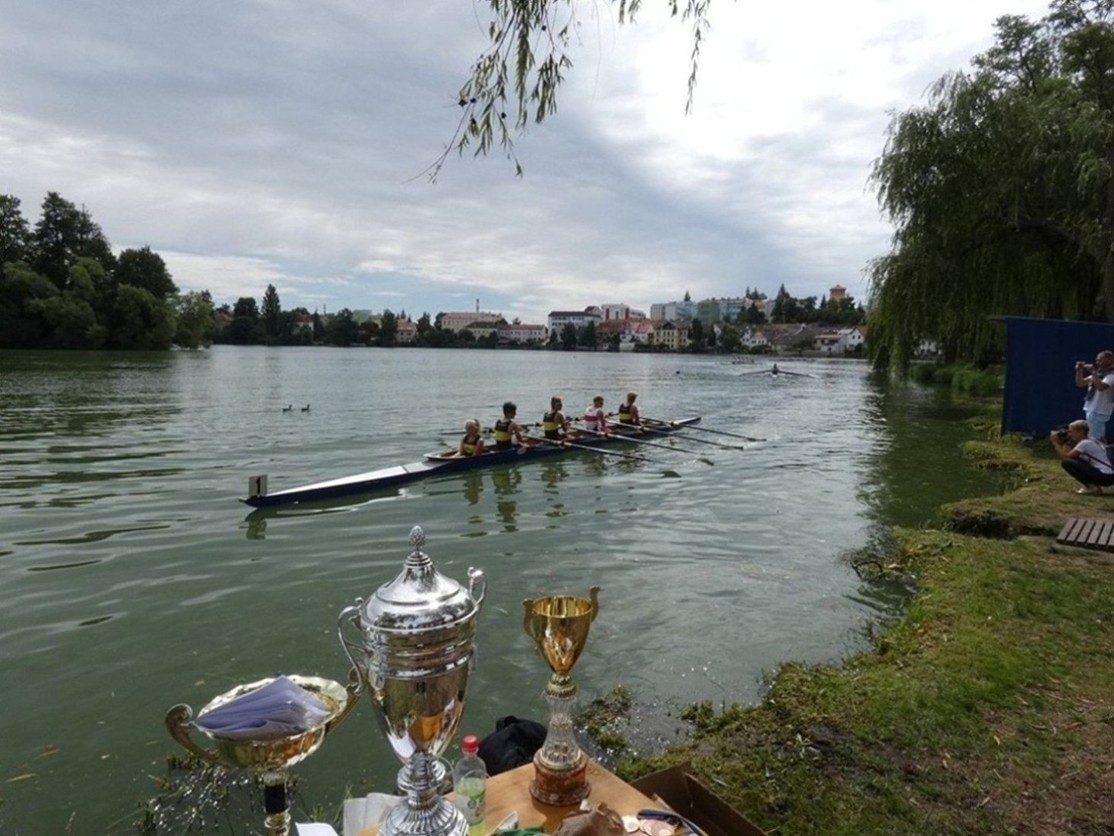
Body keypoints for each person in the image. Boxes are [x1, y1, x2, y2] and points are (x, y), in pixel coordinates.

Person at [1049, 419, 1114, 494]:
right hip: (1109, 475)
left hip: (1105, 476)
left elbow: (1066, 457)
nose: (1069, 434)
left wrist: (1055, 443)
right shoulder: (1091, 440)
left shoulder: (1084, 444)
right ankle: (1093, 487)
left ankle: (1091, 487)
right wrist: (1066, 441)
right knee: (1073, 460)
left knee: (1067, 463)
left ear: (1080, 432)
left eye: (1071, 432)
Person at [1075, 350, 1114, 441]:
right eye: (1097, 360)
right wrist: (1079, 370)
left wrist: (1093, 371)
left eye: (1100, 360)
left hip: (1100, 410)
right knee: (1097, 437)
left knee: (1094, 439)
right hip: (1091, 408)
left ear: (1109, 360)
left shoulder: (1111, 375)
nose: (1097, 362)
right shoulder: (1099, 374)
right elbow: (1080, 383)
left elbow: (1100, 387)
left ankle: (1099, 450)